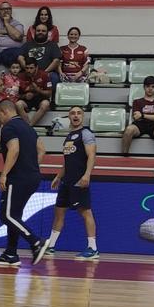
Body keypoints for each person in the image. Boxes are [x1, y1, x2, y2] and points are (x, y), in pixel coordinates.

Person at [0, 99, 49, 268]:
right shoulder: (28, 127)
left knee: (6, 215)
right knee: (14, 215)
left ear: (4, 112)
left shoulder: (9, 127)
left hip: (18, 177)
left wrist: (4, 174)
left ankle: (36, 241)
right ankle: (11, 253)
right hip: (33, 177)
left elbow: (14, 149)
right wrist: (31, 166)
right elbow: (42, 150)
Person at [45, 107, 99, 260]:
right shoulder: (69, 136)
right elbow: (68, 161)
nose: (76, 115)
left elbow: (92, 156)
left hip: (79, 180)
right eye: (73, 113)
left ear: (83, 116)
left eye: (79, 113)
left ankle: (93, 248)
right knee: (59, 212)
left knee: (85, 212)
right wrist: (58, 176)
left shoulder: (86, 134)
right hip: (66, 181)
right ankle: (51, 247)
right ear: (69, 116)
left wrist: (87, 175)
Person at [121, 75, 154, 156]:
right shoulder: (137, 102)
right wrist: (148, 116)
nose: (150, 89)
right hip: (140, 124)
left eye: (153, 86)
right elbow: (136, 117)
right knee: (129, 130)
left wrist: (143, 115)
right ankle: (124, 155)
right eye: (148, 86)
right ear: (144, 87)